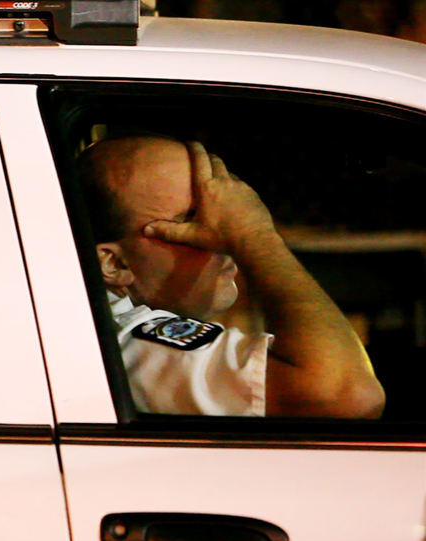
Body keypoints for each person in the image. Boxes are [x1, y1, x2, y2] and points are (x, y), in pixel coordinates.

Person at [79, 136, 384, 417]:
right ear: (114, 264)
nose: (224, 234)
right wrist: (253, 234)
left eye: (227, 211)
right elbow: (347, 395)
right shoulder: (127, 345)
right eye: (192, 219)